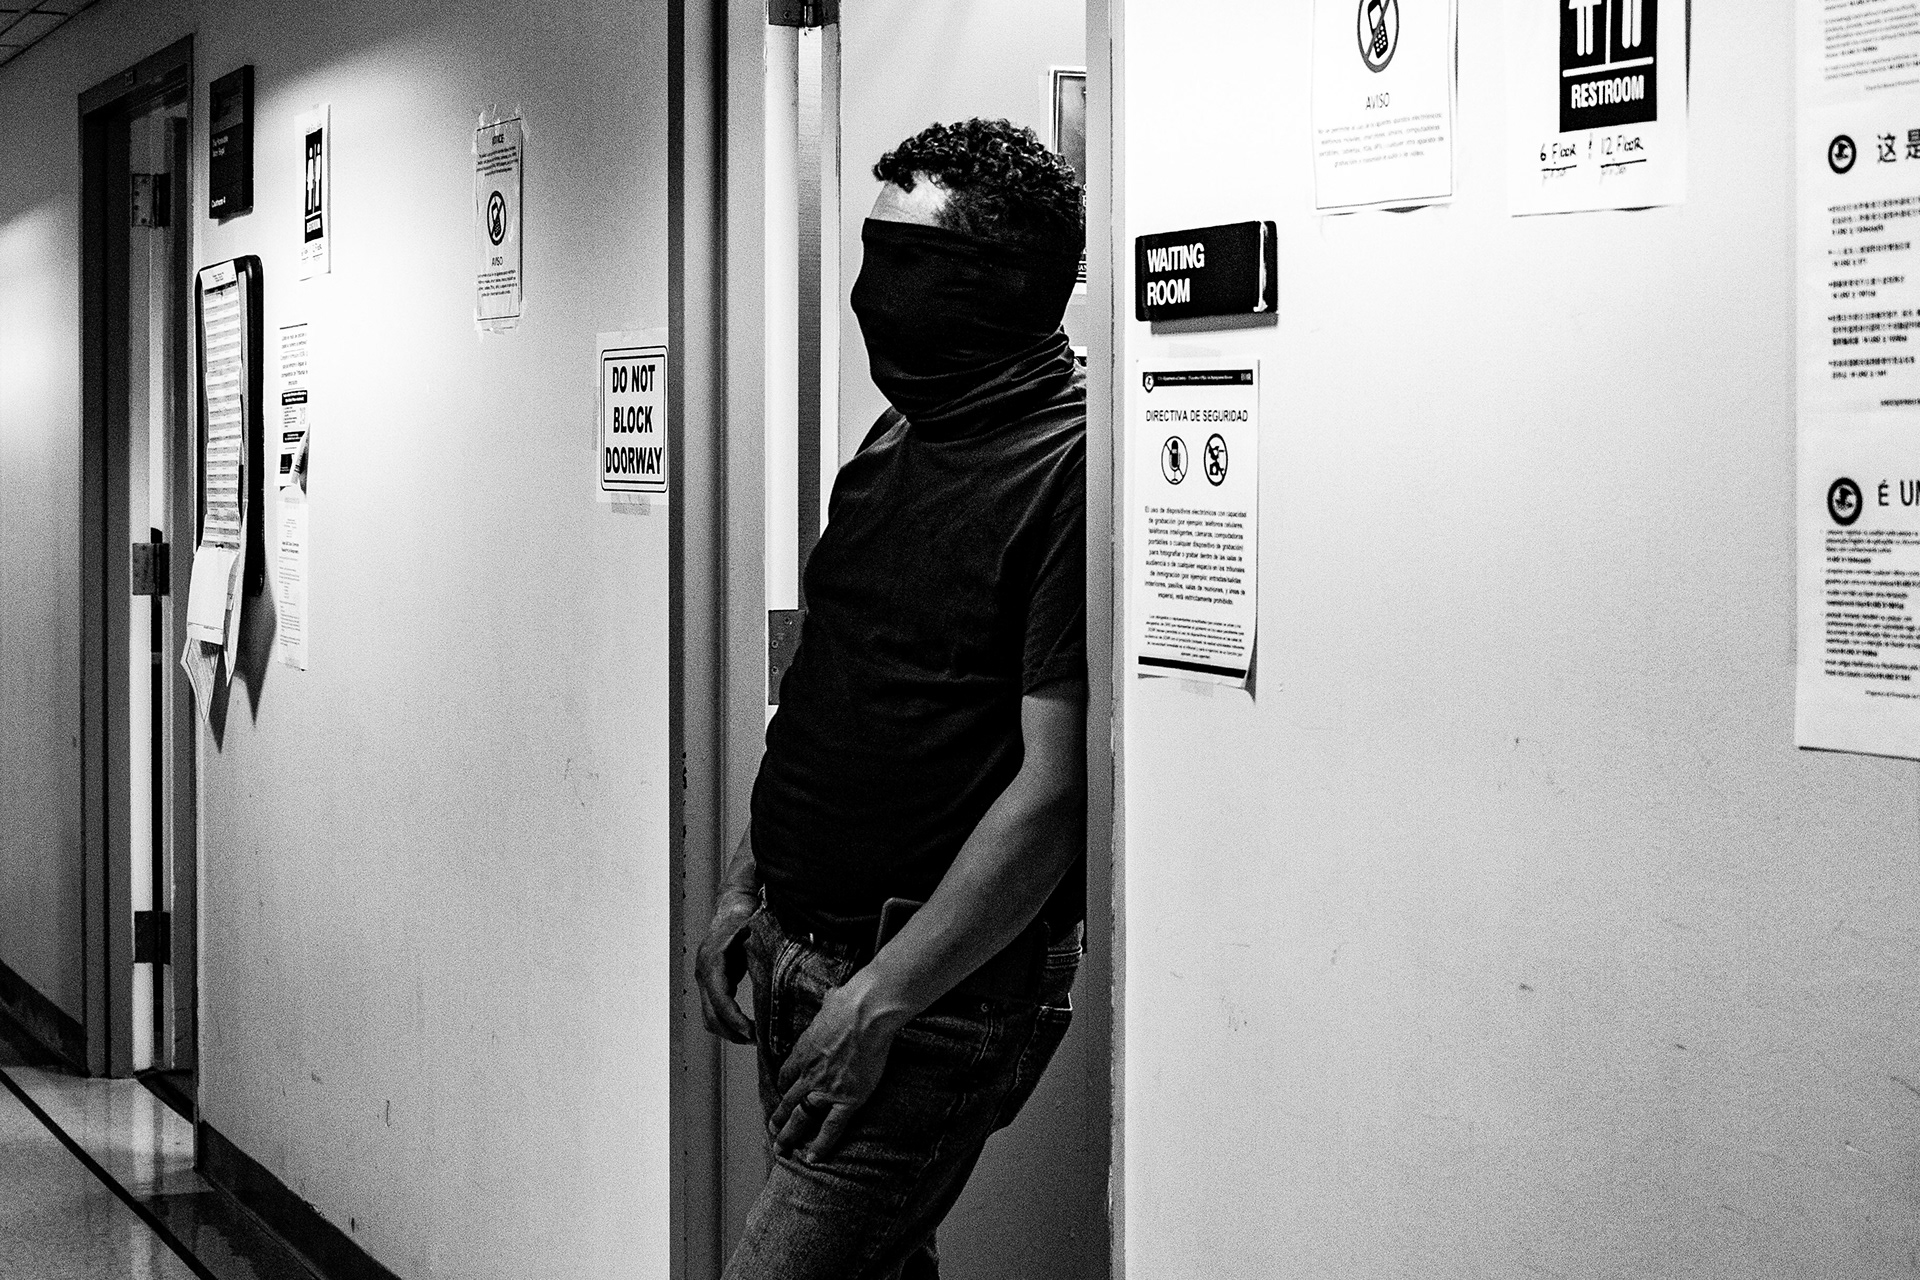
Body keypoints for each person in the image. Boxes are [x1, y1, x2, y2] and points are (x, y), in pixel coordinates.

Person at [695, 116, 1089, 1280]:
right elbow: (832, 686)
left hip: (925, 996)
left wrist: (880, 998)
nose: (873, 293)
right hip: (796, 956)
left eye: (904, 261)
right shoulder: (896, 434)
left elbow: (1055, 792)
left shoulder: (1071, 467)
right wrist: (745, 884)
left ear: (997, 283)